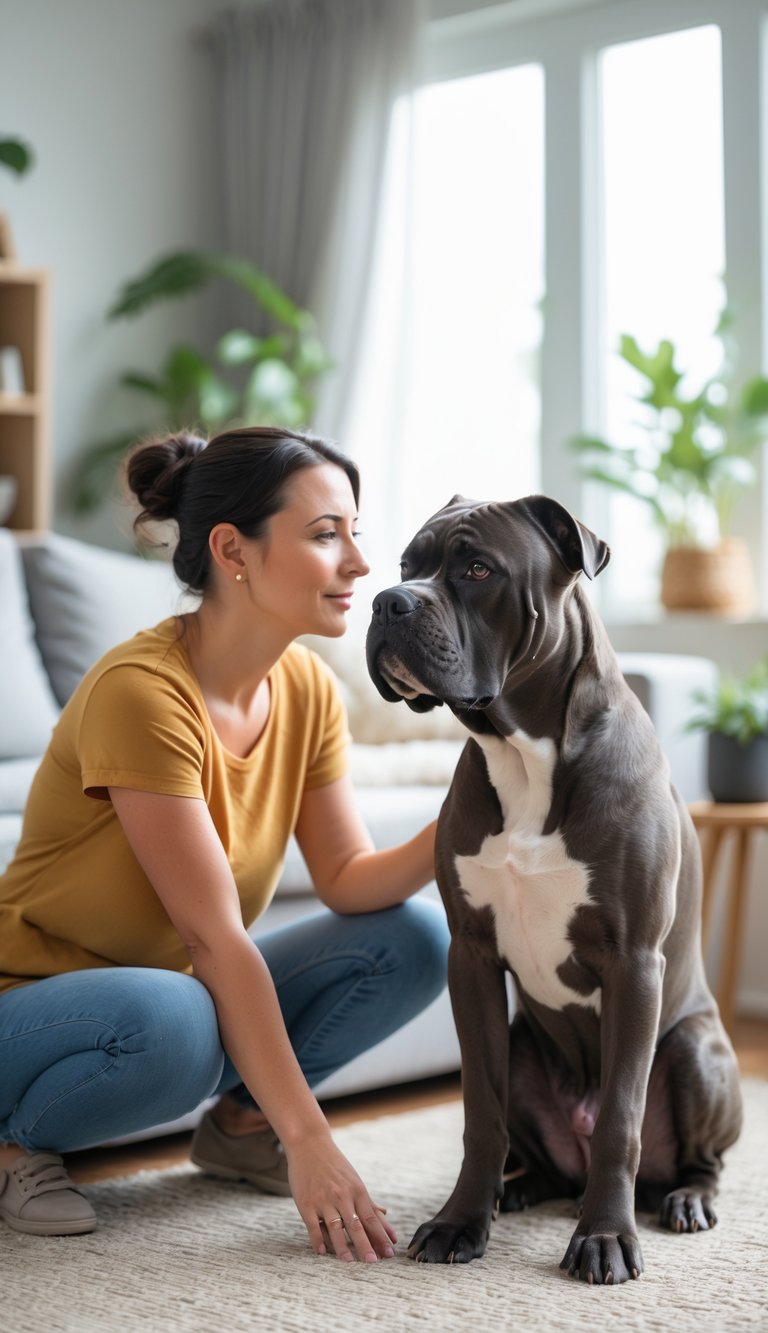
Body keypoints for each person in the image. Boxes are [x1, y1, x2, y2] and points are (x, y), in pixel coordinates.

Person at [0, 426, 449, 1261]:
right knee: (179, 1019)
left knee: (413, 937)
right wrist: (312, 1139)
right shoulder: (143, 693)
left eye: (355, 531)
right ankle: (12, 1143)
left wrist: (456, 820)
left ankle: (241, 1130)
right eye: (326, 534)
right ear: (232, 550)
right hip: (26, 1001)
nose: (358, 561)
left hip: (169, 992)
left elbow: (349, 879)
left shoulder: (307, 688)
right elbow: (213, 939)